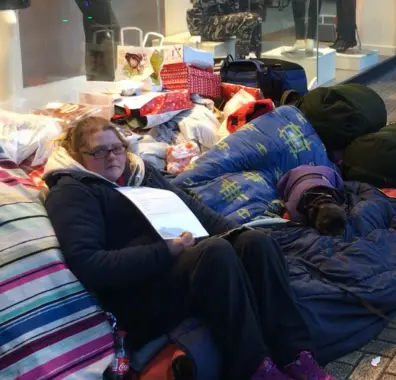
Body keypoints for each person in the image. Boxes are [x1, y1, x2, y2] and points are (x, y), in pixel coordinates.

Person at [43, 117, 335, 380]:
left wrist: (237, 232)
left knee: (254, 242)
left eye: (116, 148)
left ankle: (296, 355)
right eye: (98, 151)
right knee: (214, 253)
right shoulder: (72, 192)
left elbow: (193, 210)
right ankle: (253, 368)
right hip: (136, 295)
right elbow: (89, 264)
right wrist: (165, 251)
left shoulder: (138, 172)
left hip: (174, 268)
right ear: (76, 156)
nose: (111, 157)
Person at [187, 0, 264, 58]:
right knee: (248, 18)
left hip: (218, 19)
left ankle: (253, 57)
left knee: (256, 18)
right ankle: (240, 63)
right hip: (203, 24)